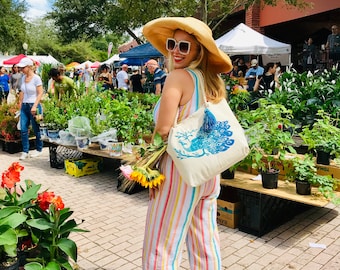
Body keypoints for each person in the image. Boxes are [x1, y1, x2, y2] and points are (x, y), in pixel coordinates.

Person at [142, 17, 232, 269]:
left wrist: (147, 166)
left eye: (185, 46)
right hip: (209, 171)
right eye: (173, 43)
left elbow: (163, 128)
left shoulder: (177, 77)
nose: (175, 50)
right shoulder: (211, 81)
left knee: (161, 244)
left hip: (178, 172)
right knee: (205, 242)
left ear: (198, 51)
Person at [17, 57, 44, 160]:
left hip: (34, 105)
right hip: (24, 106)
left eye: (23, 67)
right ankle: (25, 151)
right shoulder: (23, 78)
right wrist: (20, 103)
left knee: (36, 128)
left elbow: (40, 92)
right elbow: (22, 91)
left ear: (28, 67)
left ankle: (39, 149)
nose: (21, 69)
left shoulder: (36, 78)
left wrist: (35, 106)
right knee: (23, 129)